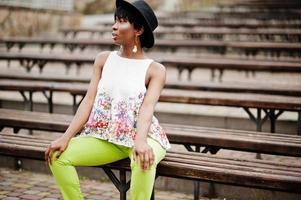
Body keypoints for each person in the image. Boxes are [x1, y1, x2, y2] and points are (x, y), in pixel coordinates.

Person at [44, 0, 171, 199]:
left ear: (138, 30)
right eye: (115, 20)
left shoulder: (155, 70)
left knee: (143, 158)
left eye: (121, 21)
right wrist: (66, 137)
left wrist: (140, 141)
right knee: (57, 156)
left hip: (145, 136)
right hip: (108, 136)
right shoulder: (103, 59)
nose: (114, 26)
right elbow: (88, 101)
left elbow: (147, 109)